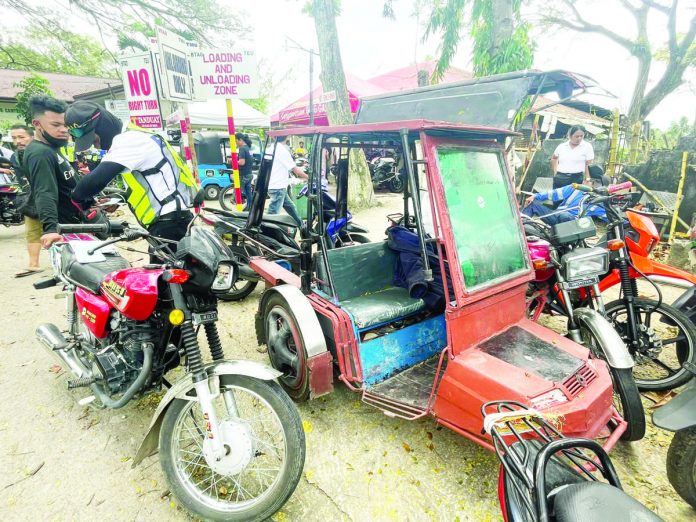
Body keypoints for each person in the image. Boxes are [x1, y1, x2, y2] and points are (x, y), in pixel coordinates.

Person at [65, 101, 201, 252]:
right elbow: (148, 184)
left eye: (93, 139)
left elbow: (94, 182)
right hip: (171, 221)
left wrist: (76, 199)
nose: (94, 145)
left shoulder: (129, 140)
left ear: (102, 125)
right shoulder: (135, 134)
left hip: (171, 224)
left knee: (164, 274)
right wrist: (117, 198)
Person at [23, 95, 87, 249]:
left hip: (77, 222)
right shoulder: (40, 153)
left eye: (66, 125)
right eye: (56, 125)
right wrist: (51, 229)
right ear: (37, 124)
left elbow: (66, 181)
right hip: (66, 231)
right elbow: (44, 191)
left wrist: (92, 201)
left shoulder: (52, 147)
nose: (64, 130)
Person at [523, 166, 609, 225]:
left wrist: (622, 221)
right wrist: (535, 196)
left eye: (589, 180)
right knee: (533, 203)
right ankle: (522, 229)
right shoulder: (574, 187)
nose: (585, 181)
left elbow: (608, 216)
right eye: (586, 179)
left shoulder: (597, 201)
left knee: (566, 216)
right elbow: (554, 193)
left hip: (573, 223)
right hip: (557, 215)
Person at [10, 125, 43, 277]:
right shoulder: (15, 156)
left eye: (21, 137)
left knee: (62, 228)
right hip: (30, 198)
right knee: (32, 231)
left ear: (32, 136)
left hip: (50, 195)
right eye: (14, 138)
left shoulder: (42, 151)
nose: (17, 141)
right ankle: (33, 264)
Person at [267, 139, 308, 227]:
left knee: (291, 207)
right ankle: (267, 234)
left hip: (275, 185)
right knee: (272, 215)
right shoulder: (282, 150)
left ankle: (302, 226)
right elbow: (295, 170)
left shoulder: (271, 148)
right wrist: (309, 177)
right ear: (287, 138)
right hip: (278, 187)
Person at [551, 125, 594, 190]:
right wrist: (555, 172)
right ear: (570, 136)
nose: (579, 138)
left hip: (576, 179)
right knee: (557, 198)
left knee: (573, 199)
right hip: (560, 177)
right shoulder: (562, 146)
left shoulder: (587, 146)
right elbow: (554, 158)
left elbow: (588, 164)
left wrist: (588, 180)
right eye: (577, 136)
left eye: (581, 136)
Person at [235, 132, 254, 210]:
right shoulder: (248, 148)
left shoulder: (242, 149)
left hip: (243, 174)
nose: (235, 143)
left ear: (240, 140)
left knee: (238, 192)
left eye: (236, 141)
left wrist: (232, 161)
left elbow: (242, 162)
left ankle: (239, 208)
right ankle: (251, 208)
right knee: (248, 193)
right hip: (249, 173)